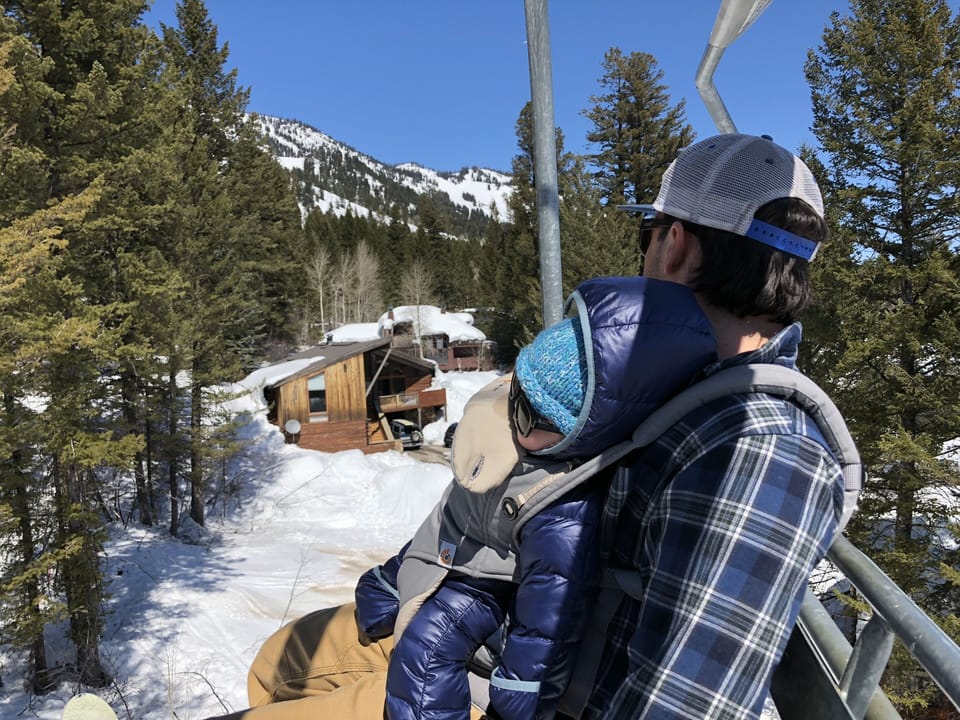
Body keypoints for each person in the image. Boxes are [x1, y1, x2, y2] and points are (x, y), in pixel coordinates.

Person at [208, 275, 717, 720]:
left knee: (429, 648)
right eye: (515, 397)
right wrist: (391, 578)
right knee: (276, 662)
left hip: (485, 602)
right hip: (454, 569)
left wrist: (521, 694)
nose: (514, 421)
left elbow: (550, 619)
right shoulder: (525, 447)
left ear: (582, 435)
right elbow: (454, 517)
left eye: (533, 417)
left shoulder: (564, 509)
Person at [571, 132, 847, 719]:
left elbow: (686, 707)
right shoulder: (685, 396)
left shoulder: (762, 448)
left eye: (647, 233)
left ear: (674, 245)